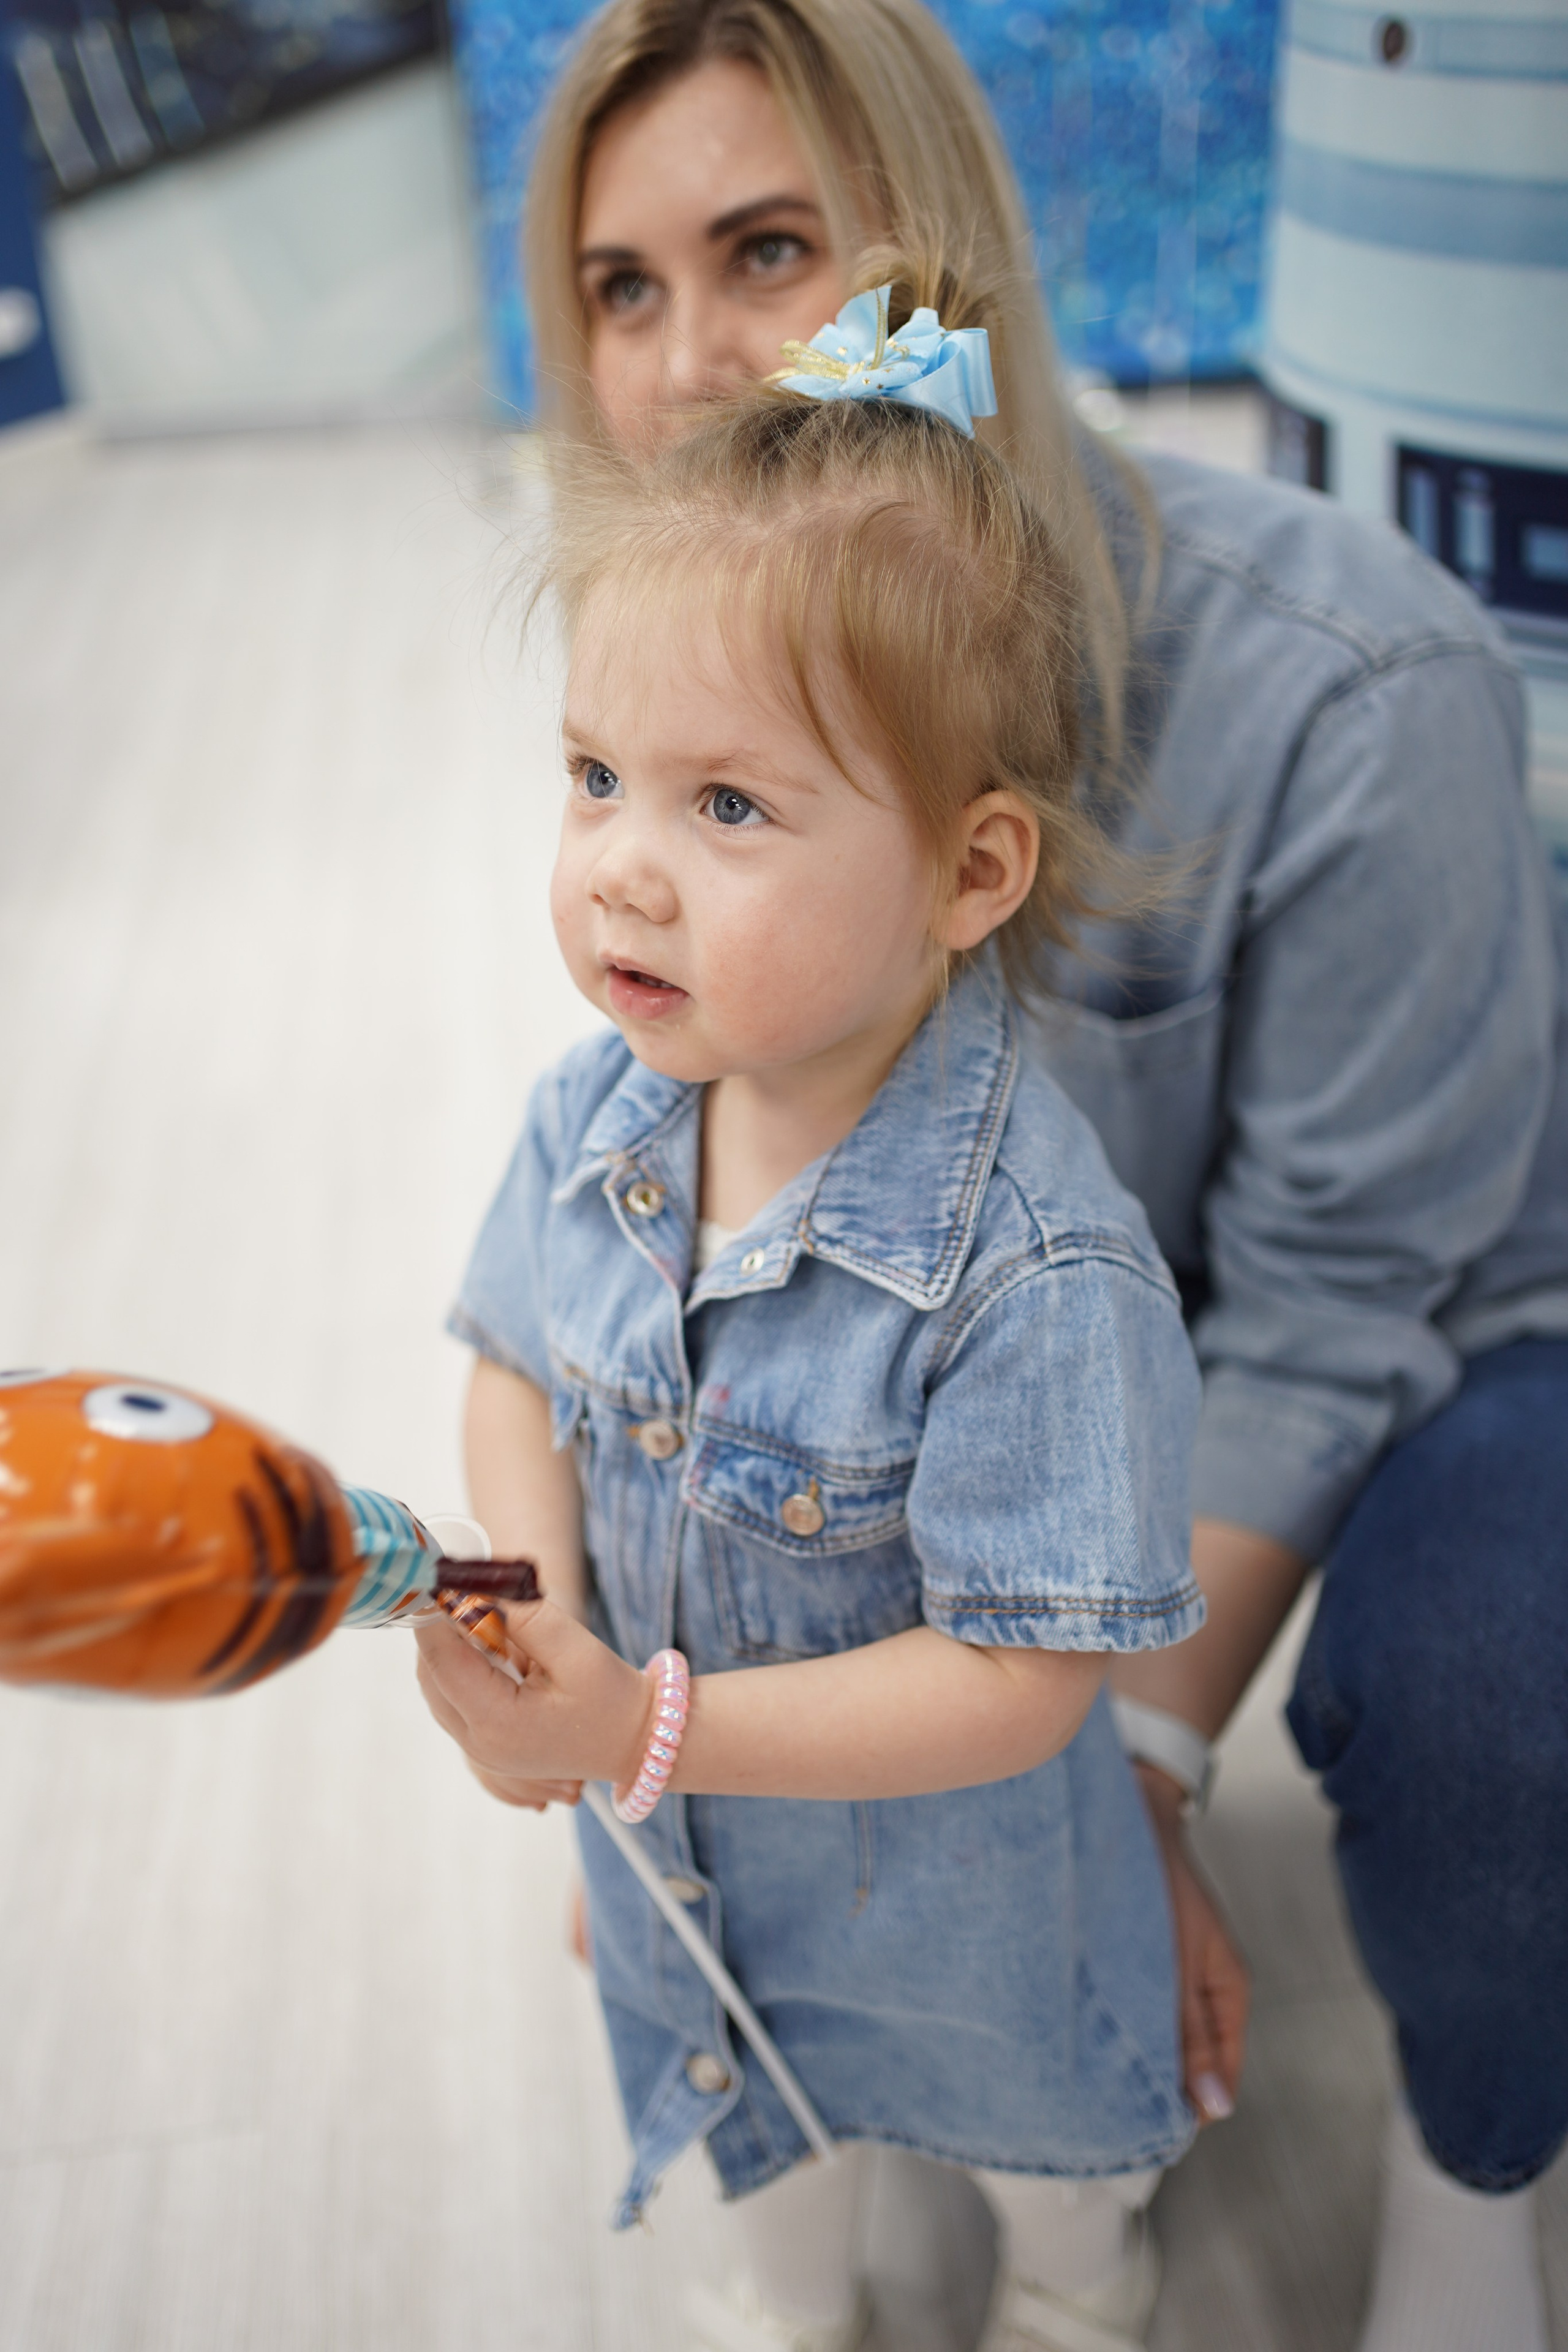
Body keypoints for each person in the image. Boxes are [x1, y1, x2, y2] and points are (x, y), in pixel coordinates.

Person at [437, 4, 1568, 2347]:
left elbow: (1334, 1304)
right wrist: (587, 1688)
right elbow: (547, 1345)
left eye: (766, 249)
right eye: (621, 288)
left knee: (1500, 1707)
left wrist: (1122, 1774)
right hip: (951, 1510)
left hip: (1445, 1324)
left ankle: (1481, 2163)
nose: (685, 361)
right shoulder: (642, 1015)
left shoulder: (1357, 680)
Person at [417, 344, 1215, 2352]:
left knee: (1058, 2199)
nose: (622, 862)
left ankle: (1079, 2299)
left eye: (727, 803)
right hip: (693, 1884)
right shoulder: (596, 1117)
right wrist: (537, 1613)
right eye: (595, 775)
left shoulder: (1036, 1272)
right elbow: (517, 1362)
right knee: (769, 2185)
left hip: (976, 1931)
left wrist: (643, 1729)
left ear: (969, 872)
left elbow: (1022, 1676)